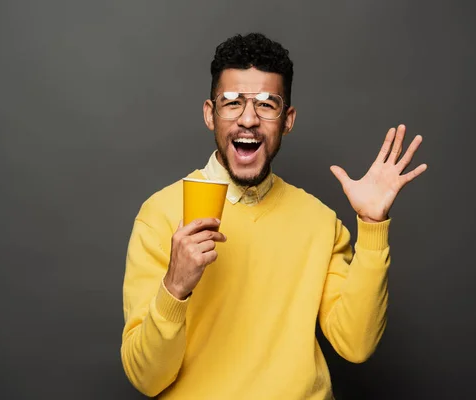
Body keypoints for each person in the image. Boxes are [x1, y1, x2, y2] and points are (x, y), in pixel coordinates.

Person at [120, 32, 427, 399]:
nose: (248, 118)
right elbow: (145, 378)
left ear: (288, 119)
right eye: (232, 102)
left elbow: (356, 344)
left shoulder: (320, 221)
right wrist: (175, 287)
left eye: (267, 104)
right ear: (210, 114)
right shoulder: (160, 215)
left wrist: (373, 226)